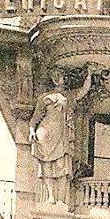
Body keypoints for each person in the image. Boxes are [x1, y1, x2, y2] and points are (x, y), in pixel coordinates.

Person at [29, 66, 92, 205]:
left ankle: (61, 199)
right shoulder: (45, 97)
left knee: (62, 164)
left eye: (60, 75)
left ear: (65, 78)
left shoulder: (68, 95)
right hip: (45, 132)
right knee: (46, 164)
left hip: (62, 133)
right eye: (54, 75)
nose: (57, 78)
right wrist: (32, 130)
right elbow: (36, 117)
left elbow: (83, 90)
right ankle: (51, 197)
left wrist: (90, 74)